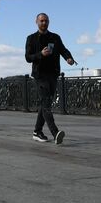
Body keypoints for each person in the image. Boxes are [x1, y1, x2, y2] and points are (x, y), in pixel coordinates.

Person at [25, 13, 75, 144]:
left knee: (45, 104)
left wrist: (69, 58)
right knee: (46, 103)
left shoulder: (55, 37)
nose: (44, 23)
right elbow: (28, 57)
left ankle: (37, 131)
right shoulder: (31, 38)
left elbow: (63, 50)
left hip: (53, 74)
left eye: (46, 21)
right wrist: (40, 54)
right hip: (40, 75)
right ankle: (55, 132)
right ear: (36, 21)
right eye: (41, 21)